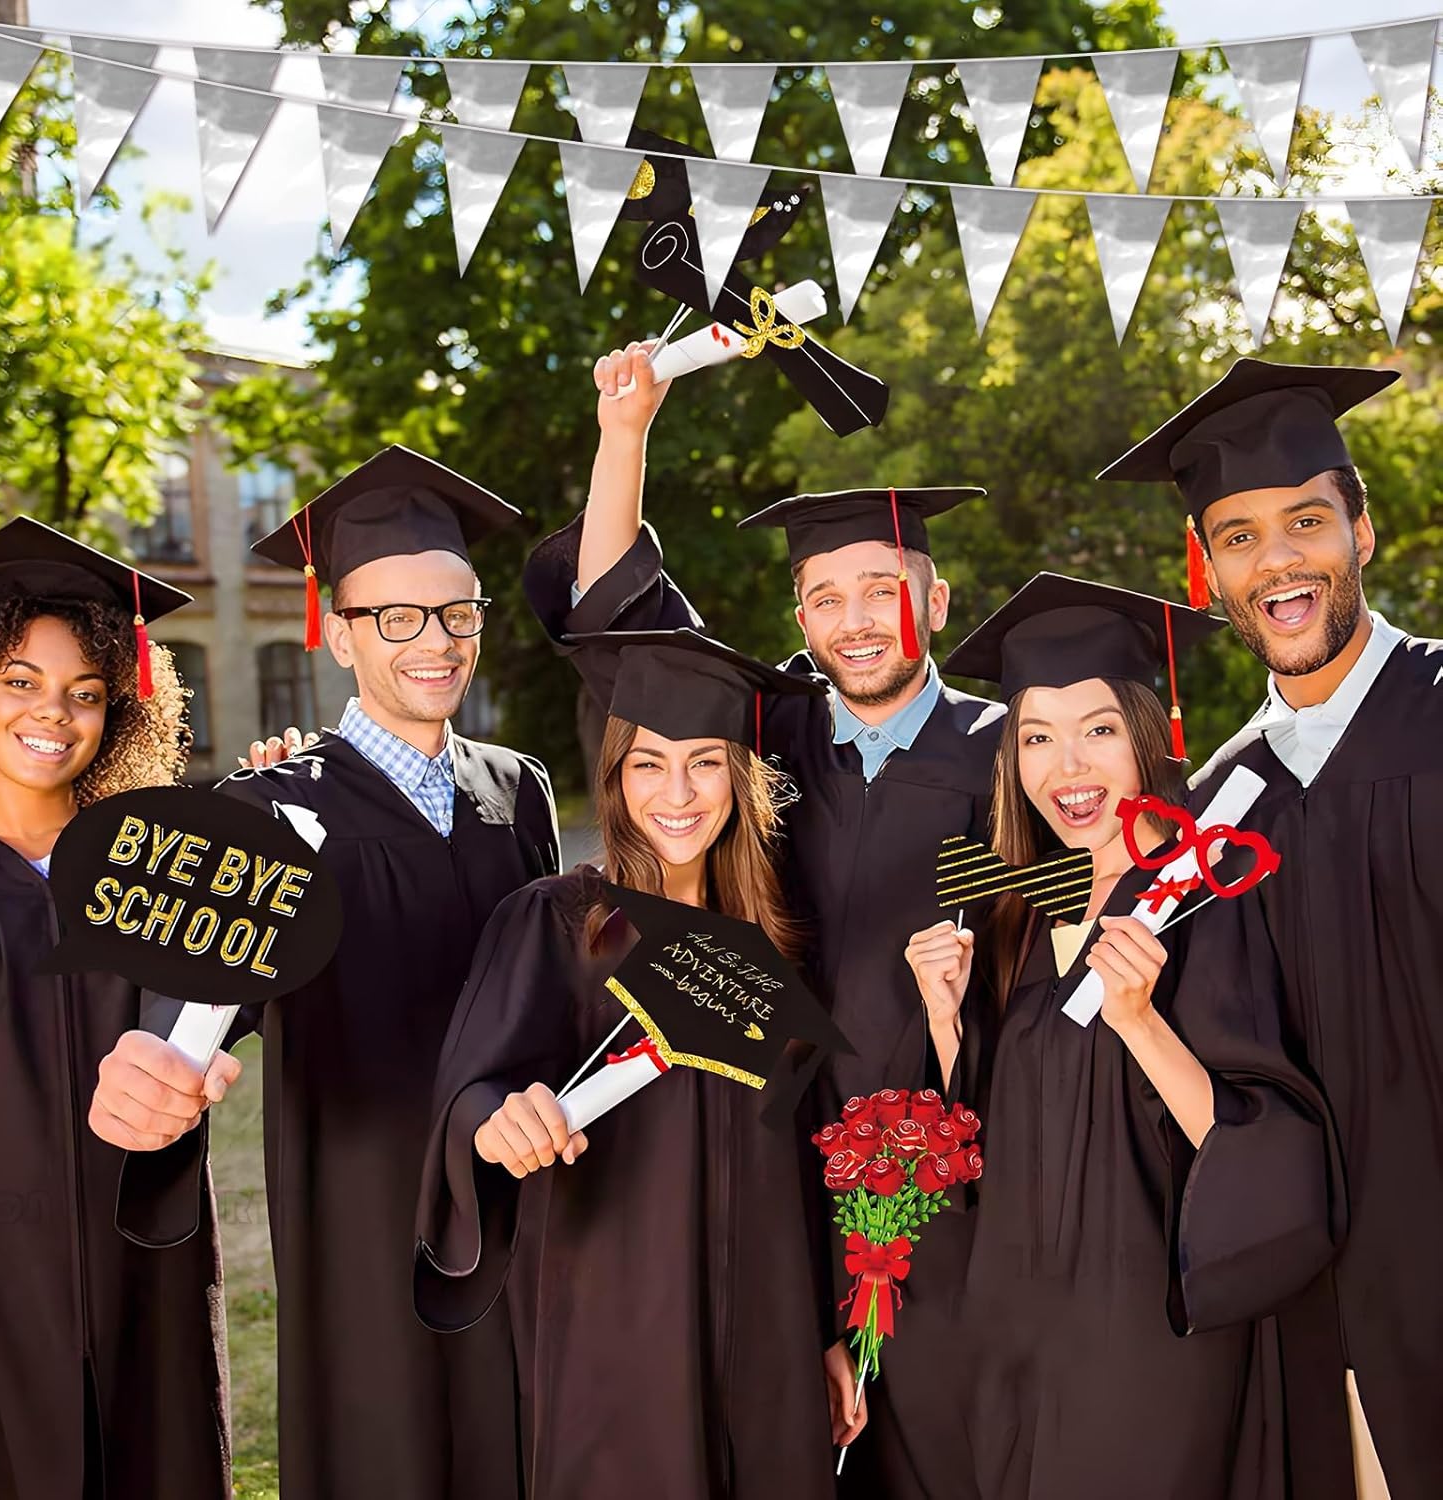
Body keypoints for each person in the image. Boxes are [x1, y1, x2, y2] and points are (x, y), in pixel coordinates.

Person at [521, 343, 1005, 1496]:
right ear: (798, 611)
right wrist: (626, 434)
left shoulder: (1007, 758)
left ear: (934, 600)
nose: (854, 620)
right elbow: (620, 625)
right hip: (774, 1173)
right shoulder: (768, 736)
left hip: (946, 1174)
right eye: (824, 596)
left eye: (881, 590)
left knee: (947, 1453)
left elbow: (1064, 925)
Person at [92, 446, 560, 1500]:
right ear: (339, 634)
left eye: (457, 614)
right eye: (395, 617)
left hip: (519, 1202)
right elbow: (193, 999)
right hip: (365, 1215)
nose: (434, 642)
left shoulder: (520, 792)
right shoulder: (267, 813)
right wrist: (162, 1062)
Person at [1102, 358, 1443, 1500]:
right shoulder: (1216, 808)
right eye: (1238, 536)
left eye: (1306, 522)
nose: (1277, 560)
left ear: (1364, 531)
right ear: (1207, 572)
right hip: (1317, 1298)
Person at [414, 627, 853, 1500]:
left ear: (740, 774)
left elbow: (801, 1162)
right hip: (615, 1321)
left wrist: (824, 1331)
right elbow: (474, 1090)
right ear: (615, 779)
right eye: (648, 765)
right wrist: (501, 1120)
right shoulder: (560, 922)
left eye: (705, 763)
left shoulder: (774, 949)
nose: (678, 794)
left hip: (766, 1322)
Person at [932, 572, 1344, 1500]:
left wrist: (1141, 1022)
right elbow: (988, 1147)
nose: (1065, 766)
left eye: (1099, 730)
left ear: (1150, 739)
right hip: (1016, 1333)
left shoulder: (1208, 896)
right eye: (1035, 736)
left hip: (1145, 1337)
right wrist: (945, 1022)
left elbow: (1269, 1144)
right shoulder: (1019, 917)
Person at [0, 517, 237, 1500]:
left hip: (142, 1277)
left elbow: (232, 1009)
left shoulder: (164, 880)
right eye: (19, 681)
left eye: (85, 693)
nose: (53, 713)